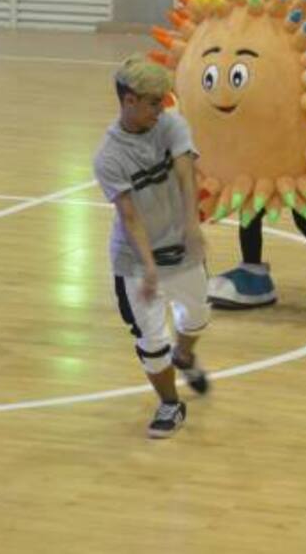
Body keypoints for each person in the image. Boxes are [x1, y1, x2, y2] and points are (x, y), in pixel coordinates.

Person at [92, 55, 212, 439]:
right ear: (129, 101)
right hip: (136, 262)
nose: (161, 109)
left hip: (182, 249)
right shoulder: (109, 157)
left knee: (196, 317)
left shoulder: (171, 125)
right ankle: (170, 403)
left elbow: (184, 172)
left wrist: (191, 225)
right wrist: (148, 267)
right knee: (152, 340)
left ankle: (186, 353)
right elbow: (129, 217)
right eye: (153, 102)